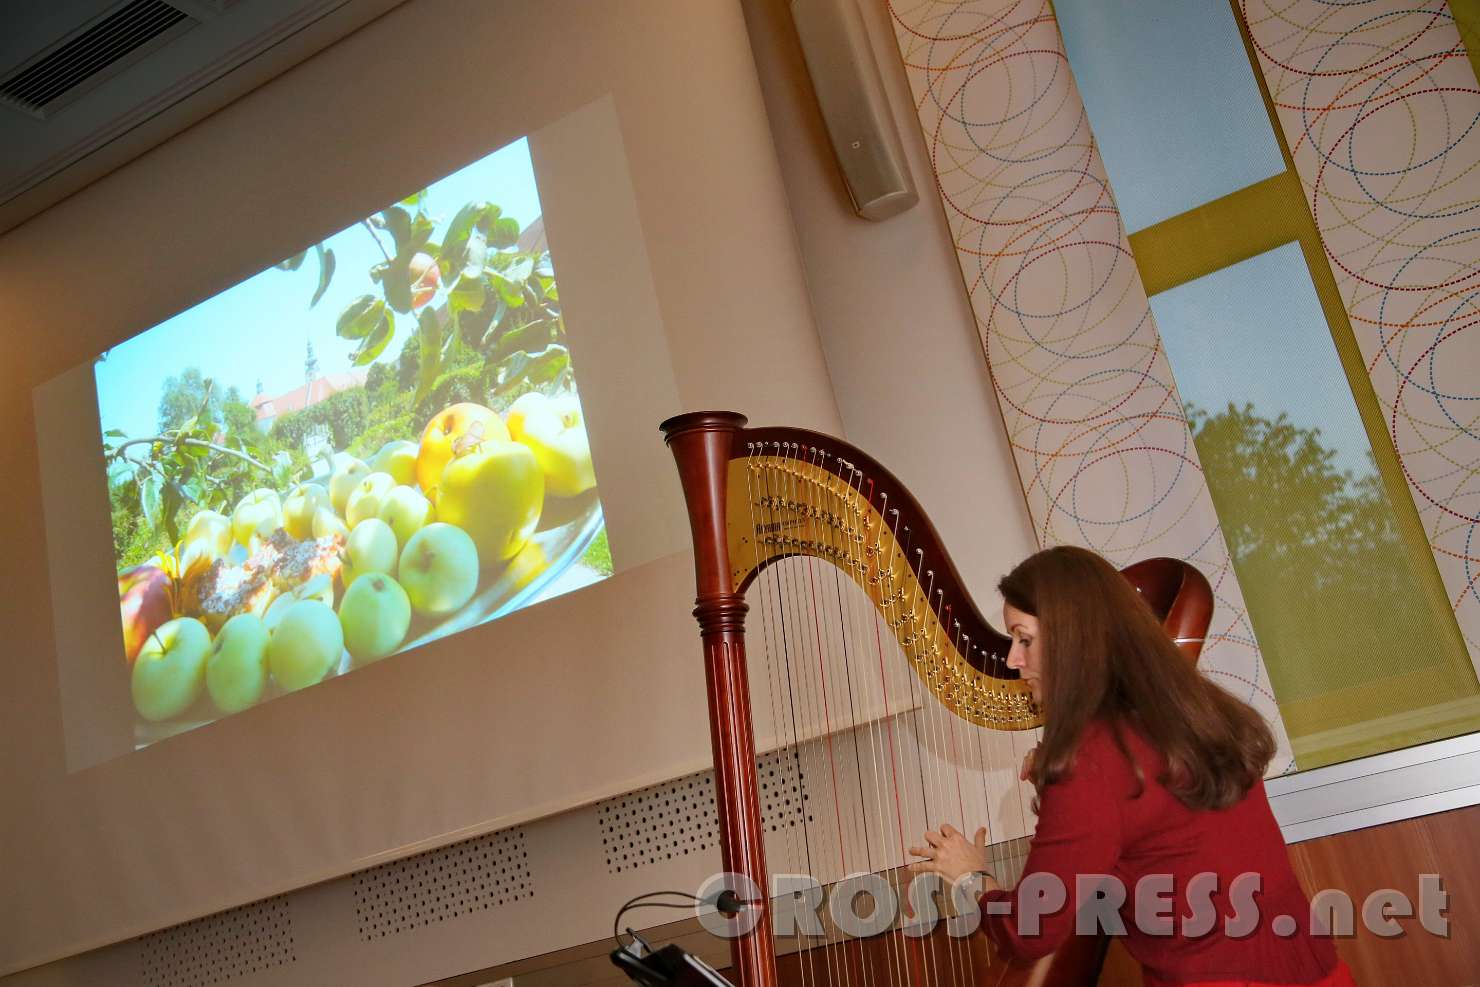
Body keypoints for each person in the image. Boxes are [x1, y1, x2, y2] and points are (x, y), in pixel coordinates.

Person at [907, 545, 1355, 987]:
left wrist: (972, 876)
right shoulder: (1197, 711)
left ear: (1072, 638)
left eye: (1024, 639)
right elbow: (1156, 828)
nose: (1012, 660)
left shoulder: (1095, 761)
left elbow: (1030, 931)